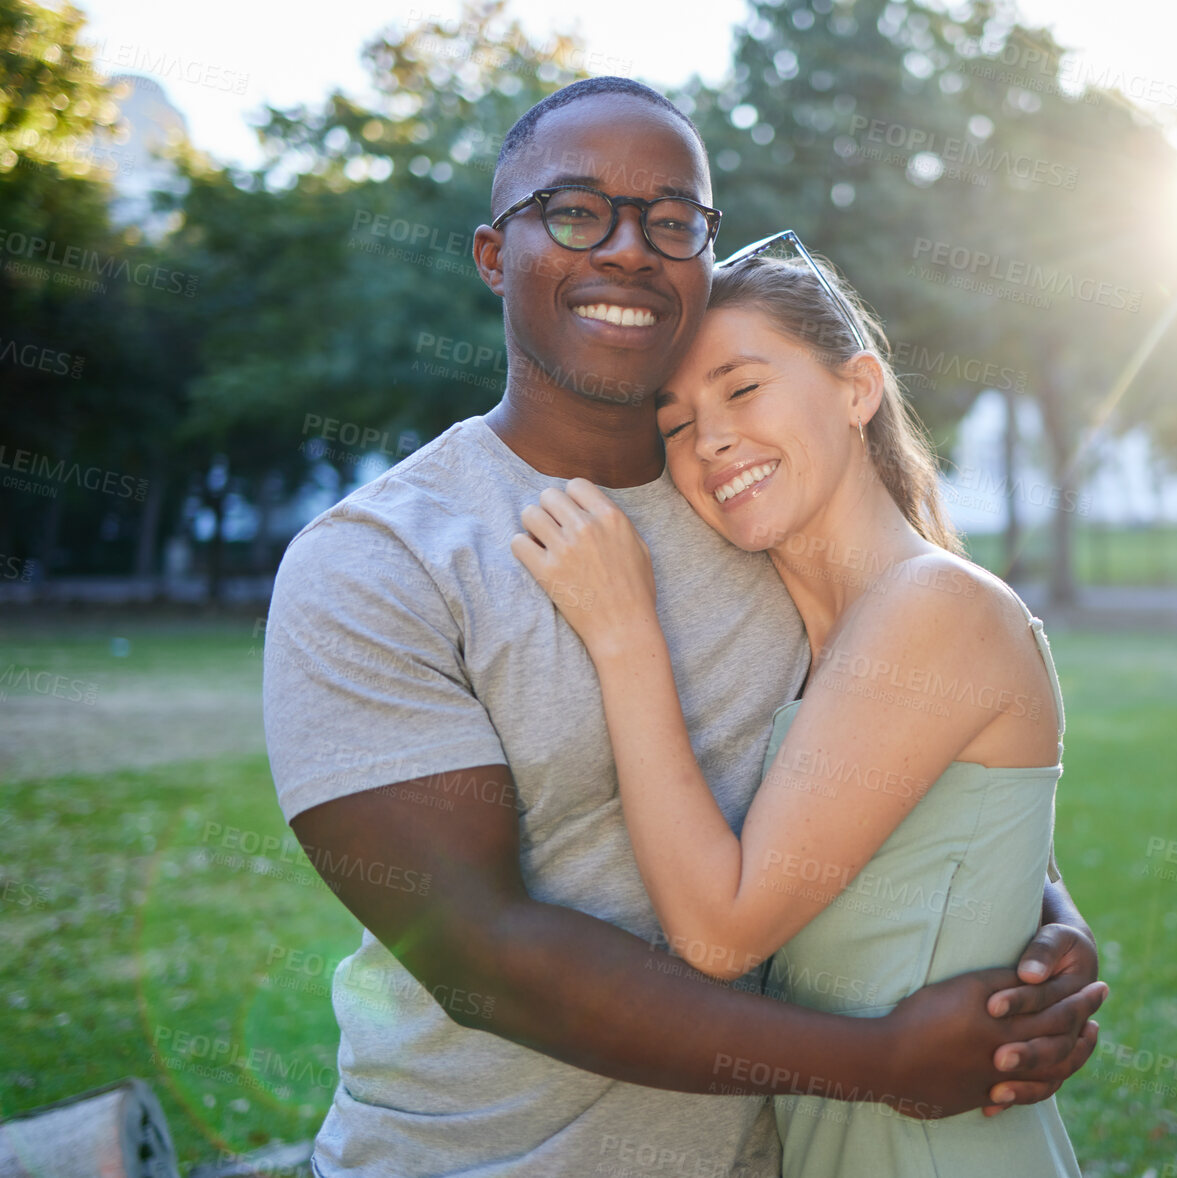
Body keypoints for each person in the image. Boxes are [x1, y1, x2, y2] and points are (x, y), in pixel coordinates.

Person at [263, 76, 1104, 1178]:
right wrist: (872, 1059)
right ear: (490, 254)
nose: (625, 247)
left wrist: (1042, 921)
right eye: (574, 211)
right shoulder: (376, 561)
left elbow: (915, 744)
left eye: (671, 220)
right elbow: (487, 955)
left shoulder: (759, 512)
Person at [511, 236, 1086, 1177]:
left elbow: (719, 932)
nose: (713, 440)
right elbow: (987, 846)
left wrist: (623, 634)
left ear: (857, 391)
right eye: (676, 423)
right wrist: (1058, 919)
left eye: (742, 390)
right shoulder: (807, 634)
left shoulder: (931, 606)